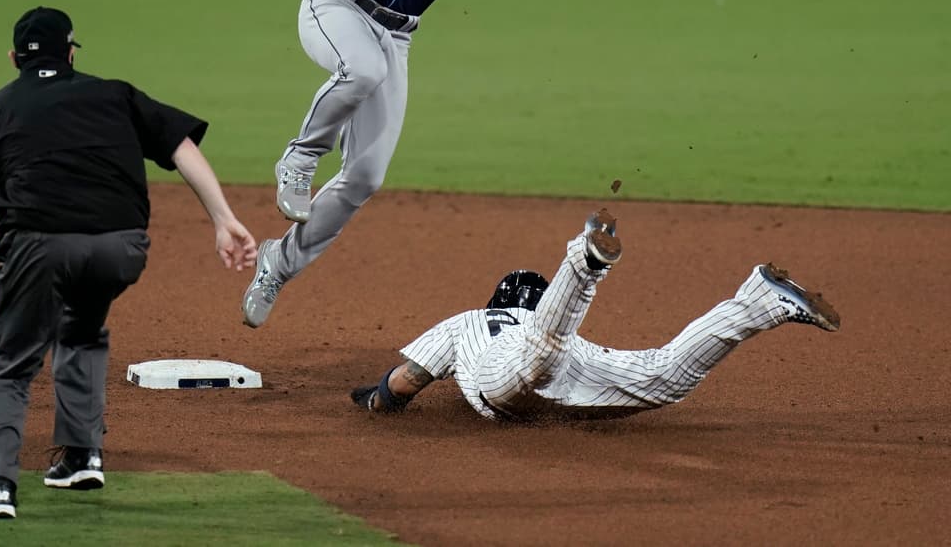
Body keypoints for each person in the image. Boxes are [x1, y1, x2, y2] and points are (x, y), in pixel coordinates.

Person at [244, 0, 614, 328]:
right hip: (335, 4)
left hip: (395, 36)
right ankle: (300, 159)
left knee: (366, 176)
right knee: (361, 70)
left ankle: (277, 264)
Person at [0, 6, 258, 519]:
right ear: (71, 54)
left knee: (14, 363)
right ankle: (80, 455)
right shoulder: (115, 93)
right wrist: (223, 219)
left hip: (41, 248)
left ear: (14, 59)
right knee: (82, 330)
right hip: (122, 248)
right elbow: (179, 145)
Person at [349, 209, 841, 420]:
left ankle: (583, 261)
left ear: (498, 301)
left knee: (540, 353)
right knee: (666, 376)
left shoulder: (470, 321)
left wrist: (376, 399)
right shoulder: (523, 322)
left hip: (510, 370)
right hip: (575, 364)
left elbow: (406, 382)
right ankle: (760, 301)